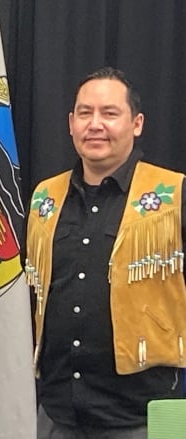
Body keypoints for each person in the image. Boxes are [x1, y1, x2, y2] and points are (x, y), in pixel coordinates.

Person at [25, 66, 186, 439]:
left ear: (137, 123)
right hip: (59, 414)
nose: (95, 124)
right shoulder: (44, 198)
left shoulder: (175, 194)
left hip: (148, 414)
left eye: (109, 113)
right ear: (70, 123)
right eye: (85, 113)